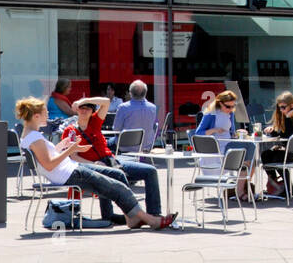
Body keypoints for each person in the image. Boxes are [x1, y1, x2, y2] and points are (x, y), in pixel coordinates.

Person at [16, 97, 175, 230]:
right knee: (117, 188)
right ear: (36, 116)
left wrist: (63, 146)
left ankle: (132, 217)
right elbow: (49, 165)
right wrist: (70, 150)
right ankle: (150, 220)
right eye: (45, 113)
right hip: (69, 174)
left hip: (70, 170)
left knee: (117, 175)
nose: (48, 115)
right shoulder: (35, 138)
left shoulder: (31, 135)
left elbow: (47, 158)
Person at [61, 96, 163, 225]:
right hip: (91, 167)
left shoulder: (95, 122)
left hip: (112, 161)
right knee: (112, 174)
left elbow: (106, 102)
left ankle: (153, 213)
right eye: (81, 108)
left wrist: (83, 101)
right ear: (77, 110)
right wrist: (95, 164)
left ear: (93, 112)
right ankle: (131, 214)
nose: (84, 110)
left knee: (150, 171)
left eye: (88, 108)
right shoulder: (70, 131)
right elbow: (73, 156)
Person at [195, 90, 259, 199]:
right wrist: (214, 130)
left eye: (233, 107)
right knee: (249, 148)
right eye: (228, 107)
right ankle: (241, 189)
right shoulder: (211, 114)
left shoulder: (230, 113)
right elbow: (198, 133)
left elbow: (230, 133)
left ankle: (241, 188)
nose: (230, 109)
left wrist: (238, 133)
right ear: (220, 103)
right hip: (217, 147)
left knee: (251, 154)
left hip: (228, 144)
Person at [258, 91, 293, 198]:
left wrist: (288, 119)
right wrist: (273, 130)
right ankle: (275, 184)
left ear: (292, 105)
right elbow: (282, 134)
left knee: (276, 157)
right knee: (265, 155)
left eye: (283, 107)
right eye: (279, 108)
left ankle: (288, 188)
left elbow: (290, 136)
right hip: (290, 151)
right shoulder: (286, 117)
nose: (281, 110)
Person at [111, 79, 159, 152]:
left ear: (130, 93)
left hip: (125, 146)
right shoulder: (153, 108)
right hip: (146, 146)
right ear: (145, 93)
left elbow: (116, 129)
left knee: (105, 143)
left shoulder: (123, 107)